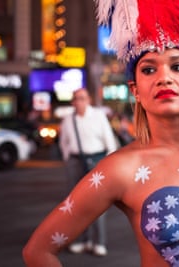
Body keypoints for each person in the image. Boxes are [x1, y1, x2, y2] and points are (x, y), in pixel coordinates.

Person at [23, 1, 179, 266]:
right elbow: (38, 251)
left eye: (178, 66)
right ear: (135, 89)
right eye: (149, 69)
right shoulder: (121, 168)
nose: (164, 78)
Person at [57, 87, 118, 256]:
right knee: (76, 204)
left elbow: (110, 141)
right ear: (73, 102)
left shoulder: (98, 116)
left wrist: (108, 165)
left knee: (96, 204)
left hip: (96, 161)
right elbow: (64, 142)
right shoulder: (69, 120)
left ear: (88, 100)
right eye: (76, 98)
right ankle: (83, 240)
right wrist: (68, 159)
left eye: (82, 98)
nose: (79, 102)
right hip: (75, 162)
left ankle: (99, 242)